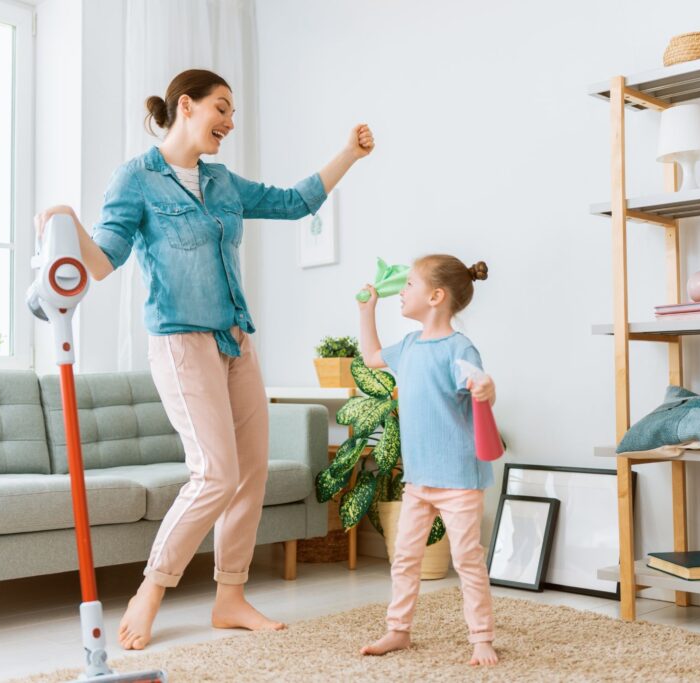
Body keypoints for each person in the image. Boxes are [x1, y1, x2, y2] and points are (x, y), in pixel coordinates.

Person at [34, 69, 374, 651]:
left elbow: (294, 203)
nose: (230, 122)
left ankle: (230, 597)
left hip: (237, 340)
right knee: (215, 472)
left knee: (250, 472)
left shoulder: (221, 182)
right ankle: (151, 591)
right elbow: (102, 261)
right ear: (185, 106)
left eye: (233, 111)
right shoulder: (136, 179)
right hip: (180, 343)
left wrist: (349, 153)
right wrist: (63, 222)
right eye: (222, 108)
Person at [357, 255, 499, 666]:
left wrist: (484, 387)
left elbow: (476, 379)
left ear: (436, 296)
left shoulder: (458, 348)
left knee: (467, 560)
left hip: (458, 480)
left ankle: (481, 637)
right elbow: (370, 358)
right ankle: (397, 630)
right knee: (405, 558)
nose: (401, 291)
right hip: (418, 480)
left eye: (410, 285)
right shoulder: (408, 347)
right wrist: (367, 311)